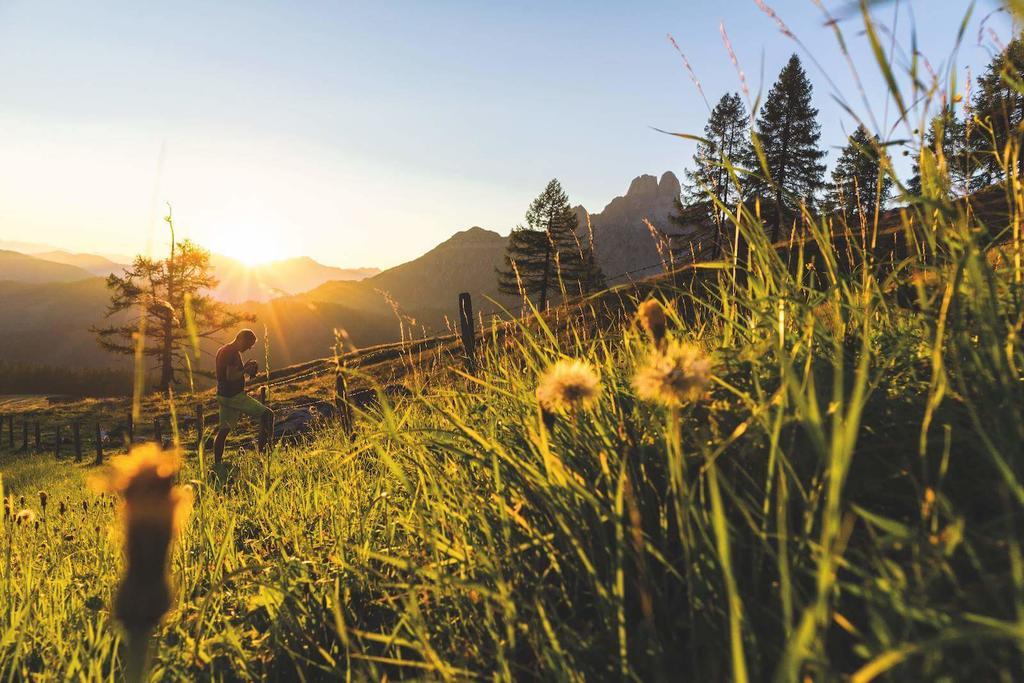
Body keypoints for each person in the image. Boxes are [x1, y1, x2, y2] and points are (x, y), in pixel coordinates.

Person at [213, 329, 274, 464]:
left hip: (223, 395)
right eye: (248, 344)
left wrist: (244, 369)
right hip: (234, 396)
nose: (249, 348)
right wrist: (246, 370)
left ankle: (217, 464)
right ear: (241, 339)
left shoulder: (223, 350)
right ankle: (264, 456)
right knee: (268, 415)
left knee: (223, 431)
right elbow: (231, 376)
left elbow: (227, 374)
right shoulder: (231, 353)